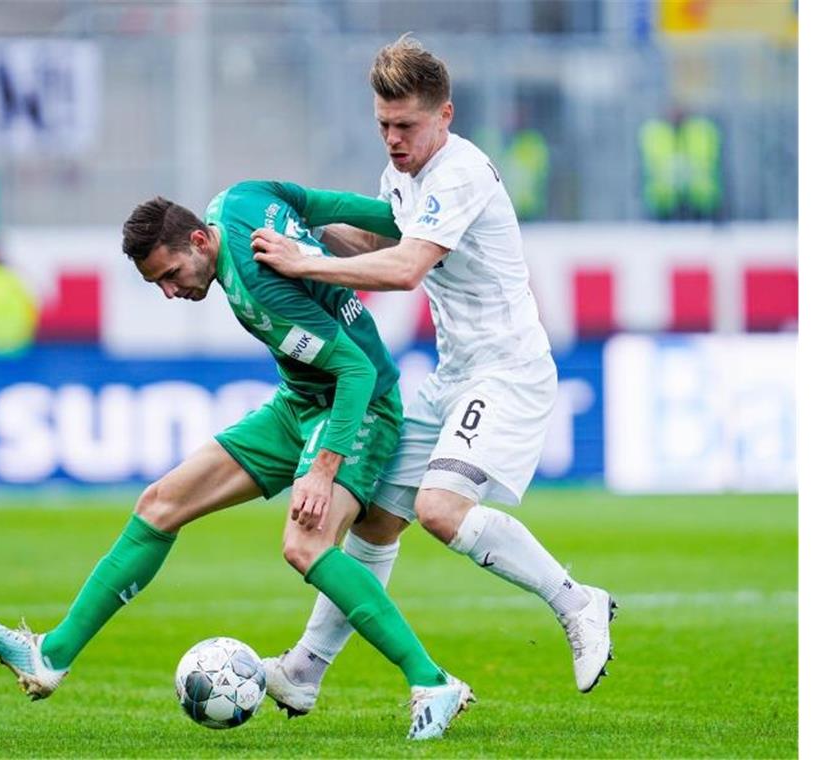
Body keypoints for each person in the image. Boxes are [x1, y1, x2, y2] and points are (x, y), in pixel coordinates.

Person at [0, 180, 474, 741]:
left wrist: (323, 468)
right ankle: (53, 656)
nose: (169, 291)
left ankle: (431, 681)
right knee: (160, 504)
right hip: (299, 402)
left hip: (358, 408)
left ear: (197, 241)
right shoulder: (235, 201)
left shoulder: (258, 288)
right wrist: (402, 219)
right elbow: (316, 206)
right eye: (157, 283)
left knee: (304, 544)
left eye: (170, 275)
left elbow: (355, 370)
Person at [250, 33, 616, 717]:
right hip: (454, 374)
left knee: (439, 510)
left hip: (506, 370)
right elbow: (385, 241)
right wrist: (302, 228)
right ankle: (304, 669)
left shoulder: (461, 172)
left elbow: (405, 268)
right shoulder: (405, 175)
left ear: (445, 116)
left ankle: (577, 601)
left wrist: (304, 262)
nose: (393, 138)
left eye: (406, 125)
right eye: (384, 125)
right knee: (378, 520)